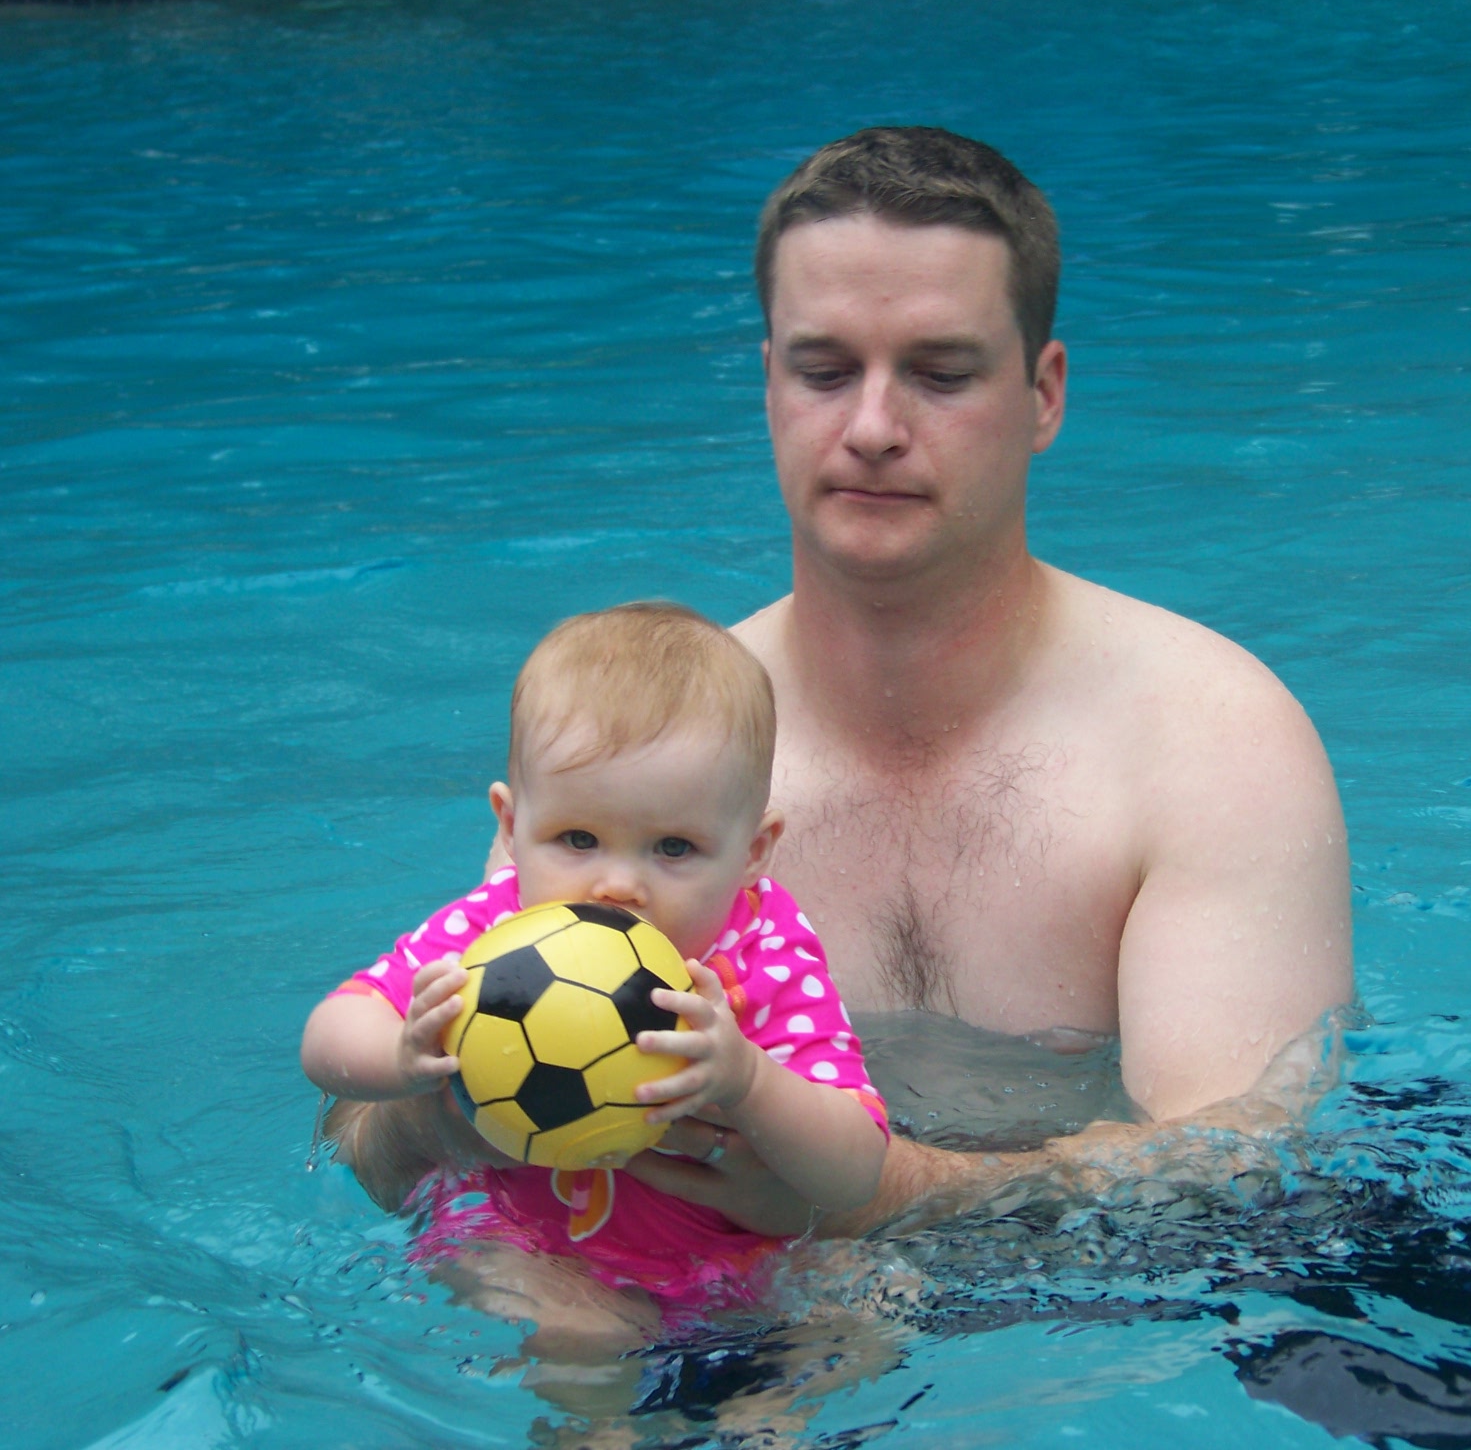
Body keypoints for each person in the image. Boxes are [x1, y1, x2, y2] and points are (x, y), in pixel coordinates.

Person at [325, 126, 1354, 1240]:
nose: (871, 429)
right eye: (823, 372)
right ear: (768, 383)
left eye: (941, 374)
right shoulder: (653, 747)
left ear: (1044, 395)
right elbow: (369, 1143)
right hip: (737, 1296)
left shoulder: (1209, 741)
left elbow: (1240, 1172)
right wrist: (446, 1120)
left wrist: (865, 1198)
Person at [301, 602, 888, 1380]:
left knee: (869, 1314)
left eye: (673, 847)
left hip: (737, 1261)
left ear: (753, 852)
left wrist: (750, 1082)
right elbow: (327, 1038)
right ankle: (595, 1430)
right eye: (578, 839)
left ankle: (770, 1419)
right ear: (510, 827)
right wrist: (401, 1055)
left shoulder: (764, 950)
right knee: (582, 1334)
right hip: (531, 1243)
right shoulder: (494, 933)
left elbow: (855, 1170)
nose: (617, 884)